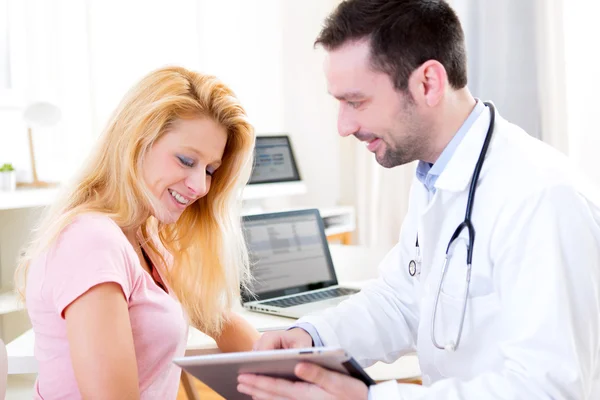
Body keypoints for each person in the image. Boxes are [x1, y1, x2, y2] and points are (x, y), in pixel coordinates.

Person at [237, 0, 600, 399]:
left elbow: (548, 390)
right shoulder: (435, 176)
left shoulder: (542, 198)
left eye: (356, 101)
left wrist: (372, 398)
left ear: (428, 83)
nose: (344, 126)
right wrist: (310, 335)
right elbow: (402, 301)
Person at [15, 66, 259, 399]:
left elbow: (220, 321)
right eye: (186, 160)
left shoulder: (145, 239)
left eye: (210, 170)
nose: (201, 186)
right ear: (136, 141)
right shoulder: (91, 241)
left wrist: (294, 368)